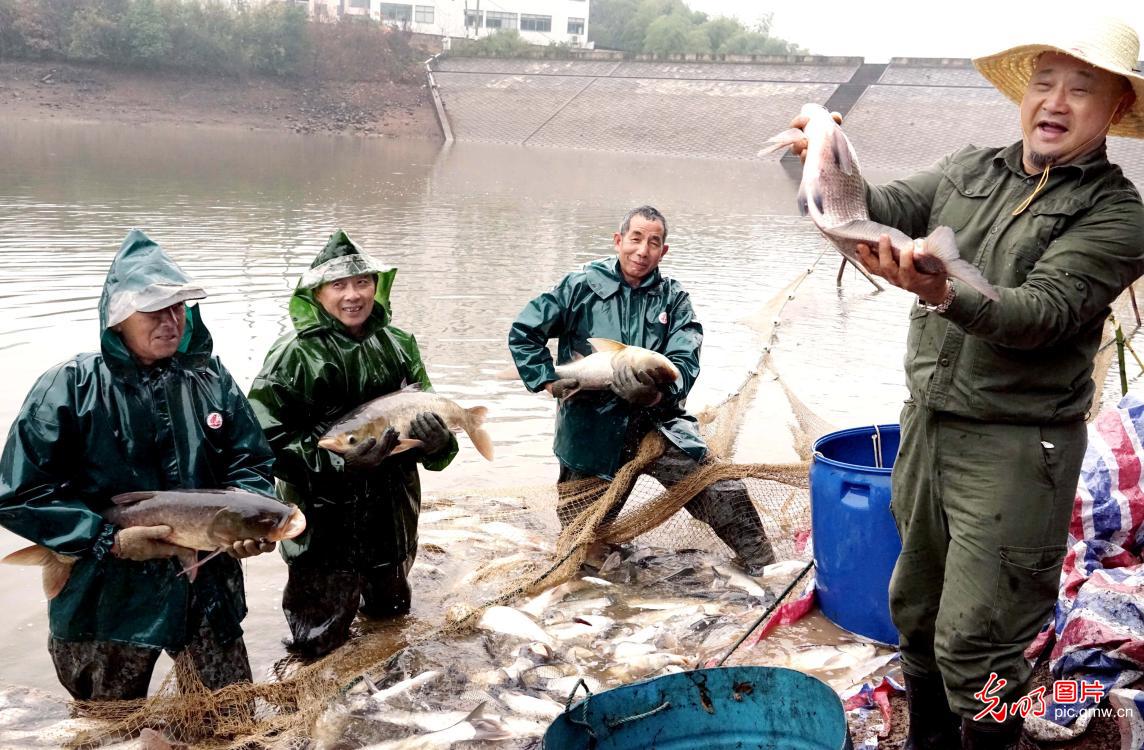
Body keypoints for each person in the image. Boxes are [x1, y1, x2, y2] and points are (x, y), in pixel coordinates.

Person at [789, 18, 1144, 750]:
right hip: (927, 427)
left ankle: (993, 739)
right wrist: (822, 157)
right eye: (1044, 82)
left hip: (1018, 451)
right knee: (915, 613)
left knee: (980, 648)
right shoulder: (967, 170)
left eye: (1082, 89)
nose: (1056, 100)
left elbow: (1042, 312)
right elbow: (871, 211)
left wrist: (942, 291)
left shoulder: (1118, 215)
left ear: (1113, 109)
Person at [0, 229, 278, 701]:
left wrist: (250, 520)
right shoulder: (68, 387)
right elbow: (20, 495)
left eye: (178, 308)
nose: (171, 321)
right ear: (119, 318)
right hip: (106, 602)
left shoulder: (211, 378)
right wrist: (106, 539)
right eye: (154, 310)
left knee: (228, 718)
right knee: (109, 727)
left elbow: (251, 461)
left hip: (205, 590)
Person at [508, 205, 775, 575]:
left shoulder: (674, 299)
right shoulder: (579, 286)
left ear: (663, 251)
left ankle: (765, 567)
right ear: (619, 241)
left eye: (654, 242)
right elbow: (524, 332)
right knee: (582, 547)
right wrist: (549, 380)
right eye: (635, 239)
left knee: (723, 493)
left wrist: (655, 396)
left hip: (659, 423)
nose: (642, 250)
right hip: (589, 432)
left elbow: (685, 362)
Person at [247, 230, 456, 658]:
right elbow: (266, 441)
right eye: (338, 285)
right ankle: (314, 704)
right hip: (323, 521)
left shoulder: (399, 344)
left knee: (392, 618)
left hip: (392, 512)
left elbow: (429, 408)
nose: (352, 295)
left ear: (377, 287)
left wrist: (438, 444)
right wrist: (339, 466)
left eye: (362, 283)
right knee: (317, 640)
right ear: (317, 293)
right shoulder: (292, 355)